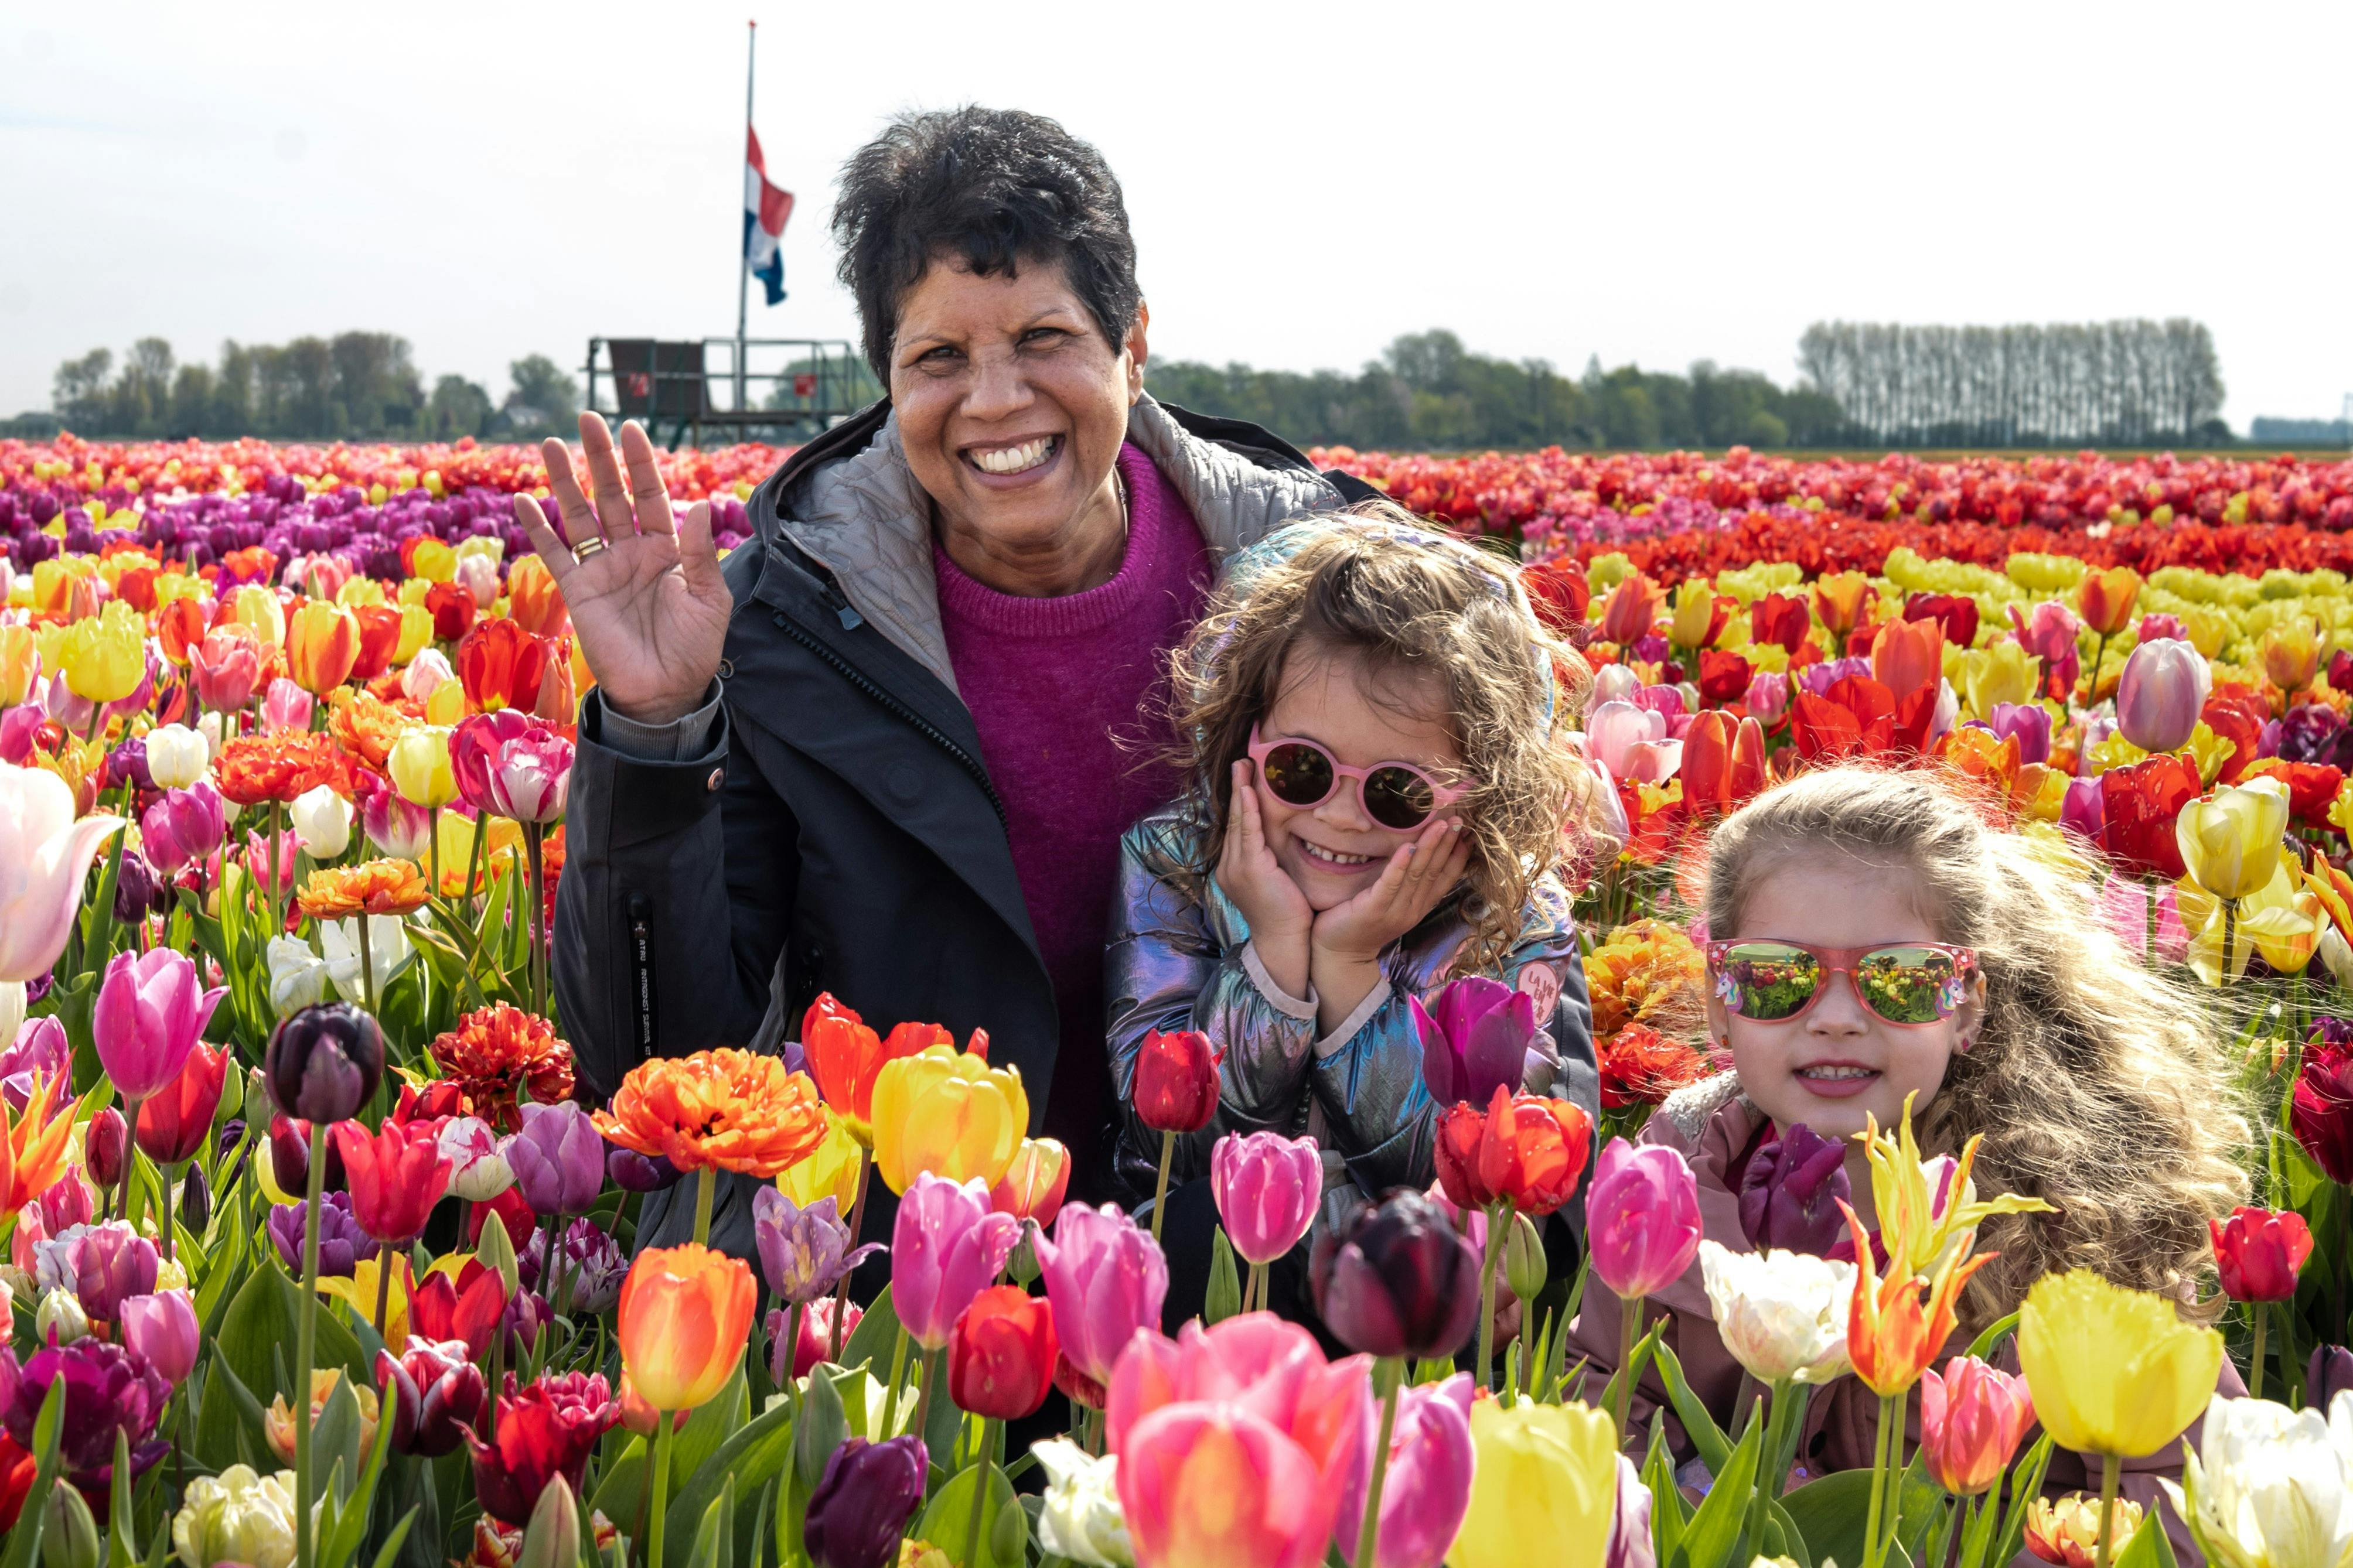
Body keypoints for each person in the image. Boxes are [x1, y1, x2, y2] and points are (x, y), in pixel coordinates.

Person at [524, 106, 1376, 1258]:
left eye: (1043, 338)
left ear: (1132, 341)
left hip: (1243, 1271)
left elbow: (1483, 974)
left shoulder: (1324, 587)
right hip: (909, 1288)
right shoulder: (787, 622)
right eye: (939, 357)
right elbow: (663, 1068)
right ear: (886, 375)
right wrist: (655, 732)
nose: (994, 400)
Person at [1567, 766, 2249, 1520]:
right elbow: (1601, 1396)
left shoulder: (2066, 1222)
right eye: (1773, 975)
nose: (1833, 1016)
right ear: (1718, 1005)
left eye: (1897, 979)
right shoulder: (1677, 1177)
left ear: (1965, 1006)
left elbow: (2183, 1487)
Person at [1106, 513, 1601, 1324]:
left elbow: (1488, 1184)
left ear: (1482, 792)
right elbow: (1171, 1146)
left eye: (1396, 791)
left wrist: (1347, 970)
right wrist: (1270, 960)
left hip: (1420, 1305)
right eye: (1301, 769)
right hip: (1209, 1291)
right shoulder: (1173, 865)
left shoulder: (1516, 915)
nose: (1338, 817)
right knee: (1203, 1230)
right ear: (1243, 737)